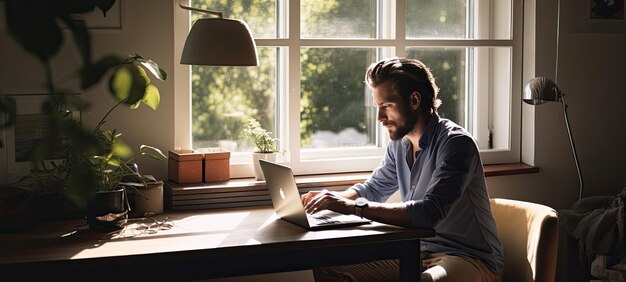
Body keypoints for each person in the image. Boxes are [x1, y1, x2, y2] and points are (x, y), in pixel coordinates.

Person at [301, 57, 504, 282]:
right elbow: (373, 189)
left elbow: (430, 213)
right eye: (378, 108)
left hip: (468, 258)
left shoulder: (456, 144)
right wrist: (328, 200)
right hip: (415, 252)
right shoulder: (399, 144)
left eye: (387, 106)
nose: (379, 118)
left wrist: (352, 207)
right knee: (329, 267)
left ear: (414, 100)